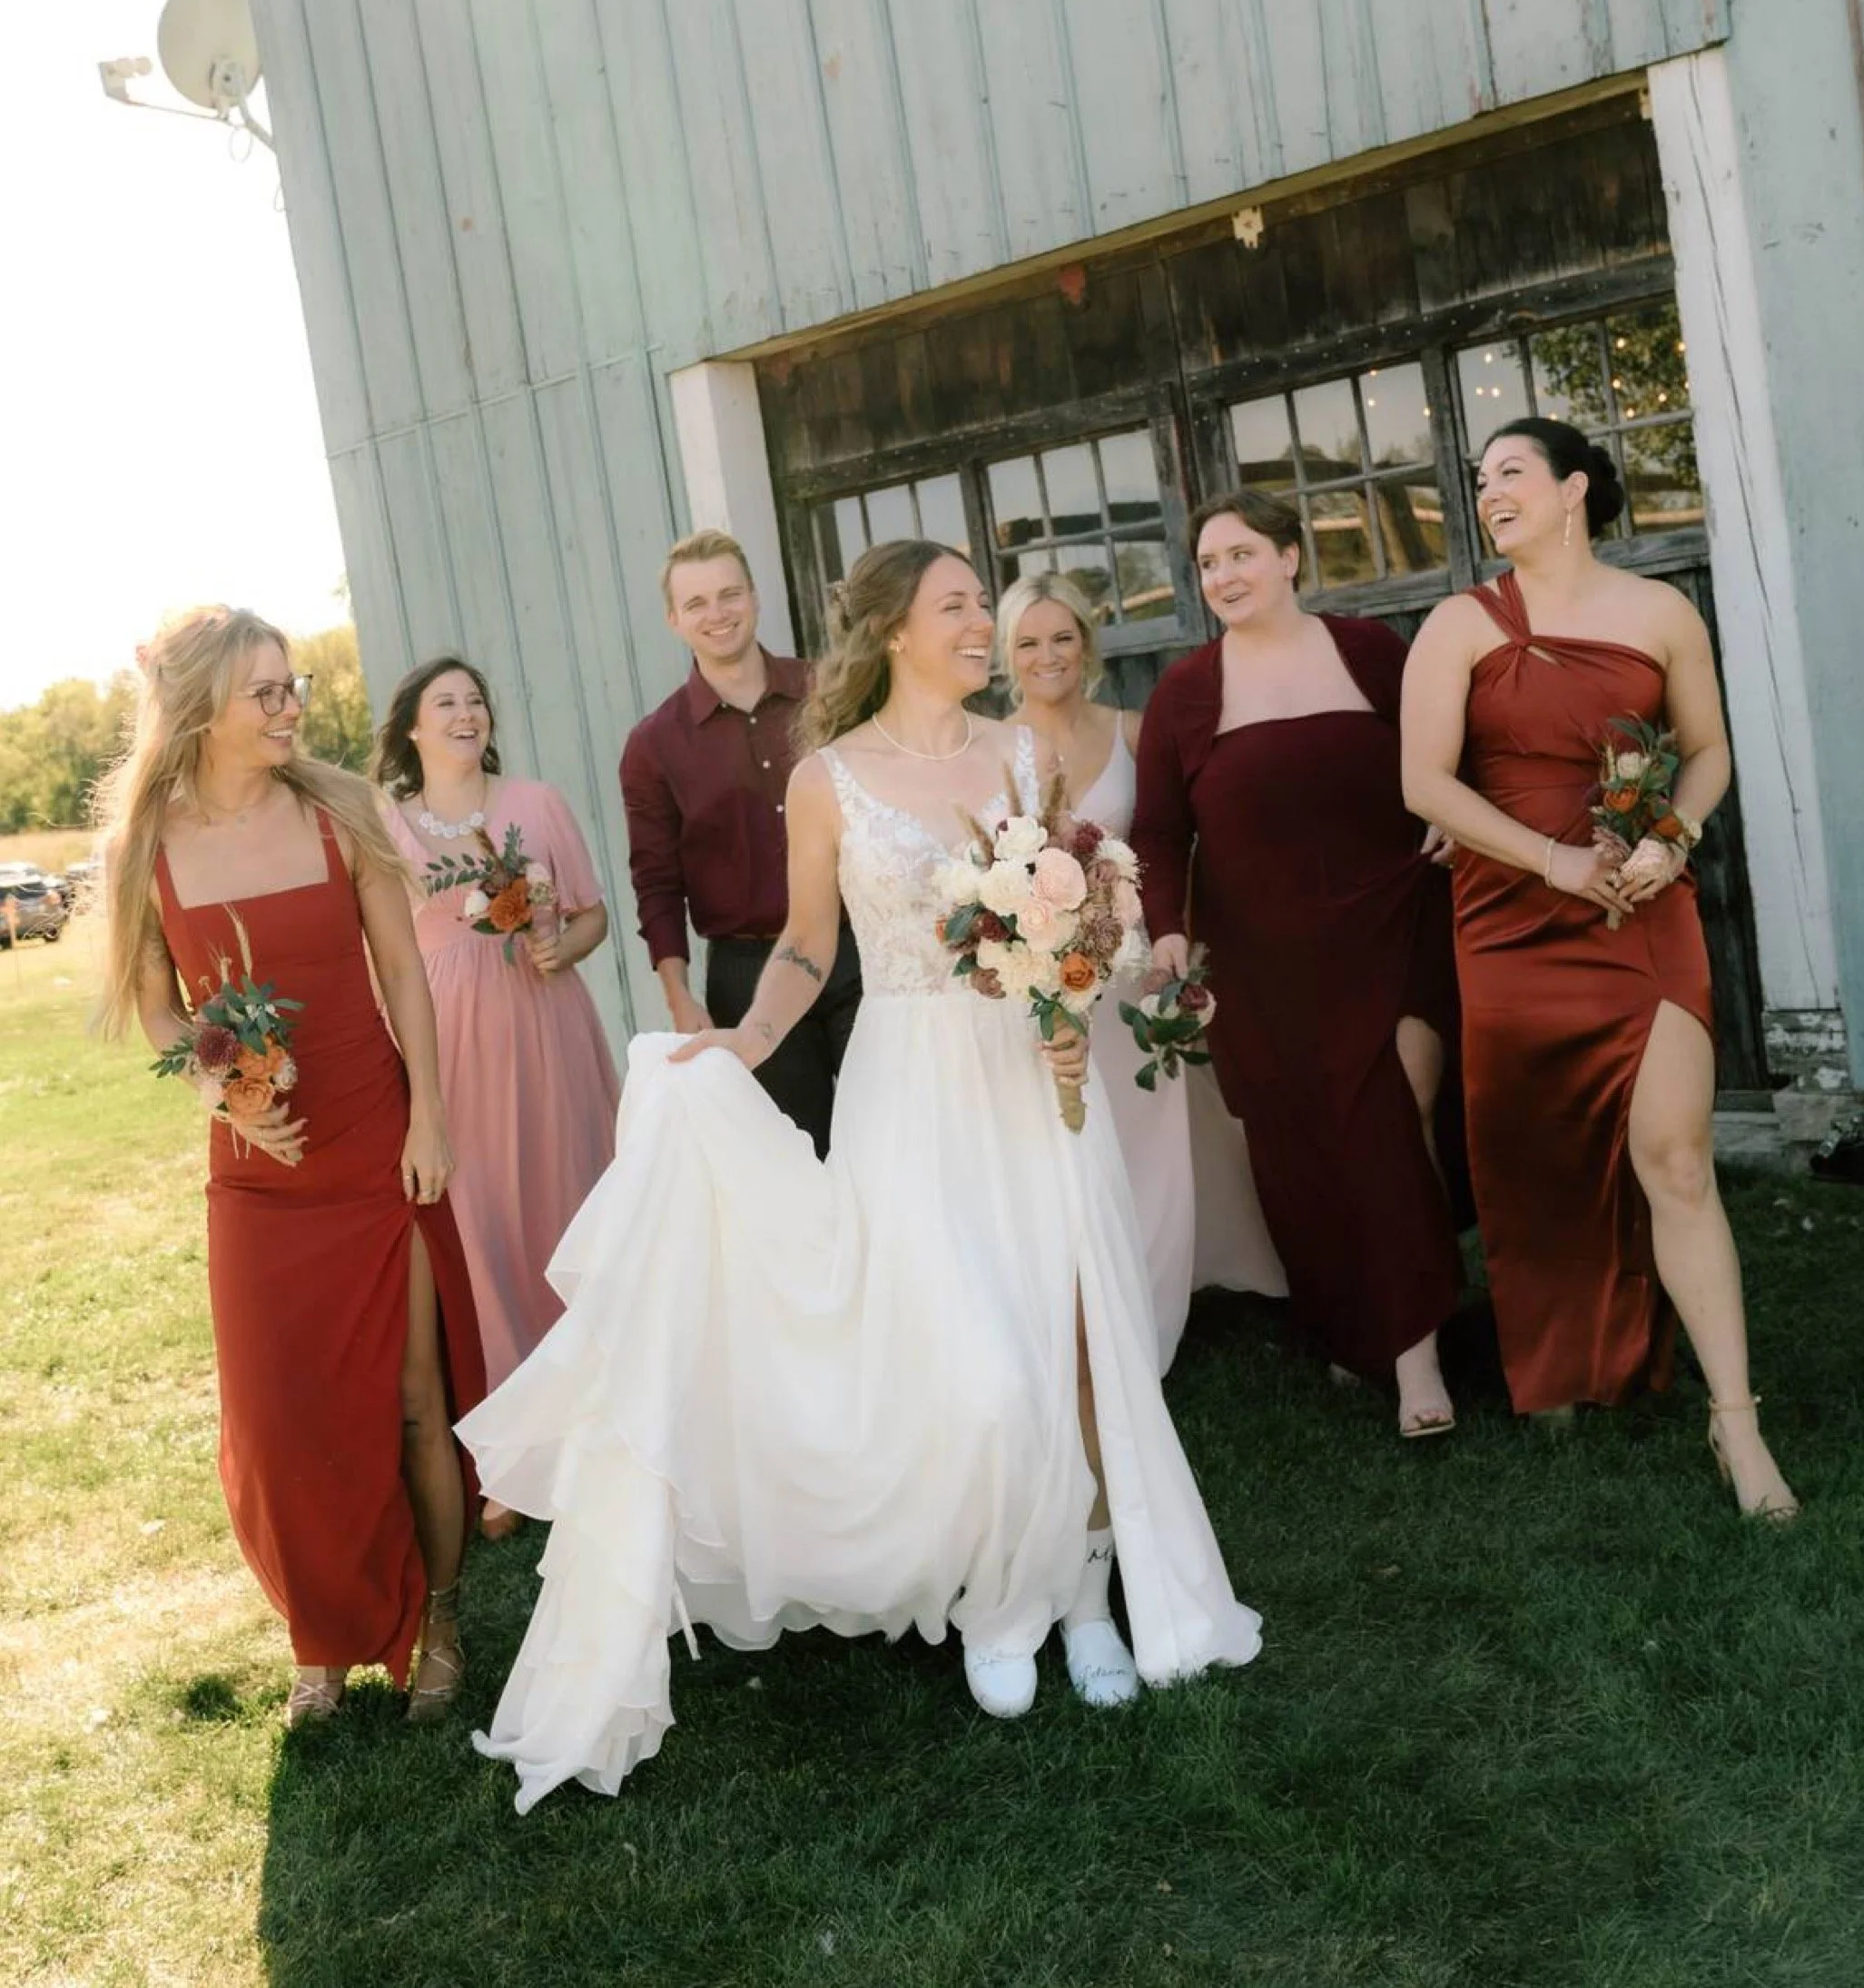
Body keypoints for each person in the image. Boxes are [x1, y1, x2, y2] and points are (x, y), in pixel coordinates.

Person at [459, 541, 1260, 1811]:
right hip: (908, 1089)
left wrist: (1071, 996)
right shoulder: (826, 781)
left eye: (980, 609)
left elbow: (1066, 915)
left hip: (1026, 1079)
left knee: (1079, 1337)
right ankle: (1004, 1599)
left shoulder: (1020, 755)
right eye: (957, 608)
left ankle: (1092, 1596)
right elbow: (804, 943)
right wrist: (745, 1043)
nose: (980, 627)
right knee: (976, 1356)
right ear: (894, 629)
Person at [95, 606, 486, 1726]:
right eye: (264, 692)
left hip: (376, 1138)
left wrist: (430, 1121)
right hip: (258, 1168)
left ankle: (441, 1620)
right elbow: (158, 1004)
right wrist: (221, 1094)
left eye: (291, 685)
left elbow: (406, 974)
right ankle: (321, 1639)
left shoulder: (339, 808)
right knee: (281, 1418)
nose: (291, 707)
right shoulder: (143, 845)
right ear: (199, 707)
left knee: (416, 1404)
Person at [1400, 420, 1798, 1518]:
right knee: (1534, 1160)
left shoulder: (1661, 613)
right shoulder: (1455, 625)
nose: (1489, 494)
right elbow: (1425, 786)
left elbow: (1707, 747)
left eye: (1511, 474)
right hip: (1513, 913)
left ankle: (1737, 1428)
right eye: (1480, 483)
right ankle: (1565, 1361)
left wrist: (1674, 836)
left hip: (1642, 909)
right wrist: (1553, 862)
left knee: (1674, 1159)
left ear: (1575, 488)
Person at [1131, 490, 1464, 1439]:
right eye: (1208, 564)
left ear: (1290, 559)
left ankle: (1417, 1354)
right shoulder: (1186, 694)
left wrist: (1450, 812)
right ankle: (1353, 1322)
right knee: (1298, 1148)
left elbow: (1445, 757)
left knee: (1399, 1111)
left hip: (1391, 922)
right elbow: (1159, 833)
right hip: (1261, 960)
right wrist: (1165, 929)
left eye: (1242, 554)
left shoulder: (1372, 654)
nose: (1225, 576)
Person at [999, 571, 1285, 1367]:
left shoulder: (1132, 729)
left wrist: (1179, 937)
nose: (1047, 655)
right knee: (1078, 1149)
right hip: (1052, 983)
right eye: (1028, 642)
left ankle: (1154, 1319)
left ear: (1086, 644)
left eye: (1062, 637)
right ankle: (1096, 1304)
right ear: (1006, 656)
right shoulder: (996, 749)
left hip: (1135, 971)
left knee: (1156, 1145)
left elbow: (1177, 837)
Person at [374, 657, 620, 1540]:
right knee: (483, 1238)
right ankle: (514, 1460)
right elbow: (385, 956)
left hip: (547, 1031)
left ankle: (602, 1428)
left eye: (477, 700)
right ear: (412, 727)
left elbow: (592, 912)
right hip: (451, 1053)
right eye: (446, 703)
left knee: (569, 1218)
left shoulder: (538, 803)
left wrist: (569, 946)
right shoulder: (387, 828)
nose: (466, 713)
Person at [620, 529, 860, 1152]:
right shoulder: (654, 745)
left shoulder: (829, 696)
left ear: (754, 597)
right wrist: (679, 996)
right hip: (747, 974)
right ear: (674, 620)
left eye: (729, 594)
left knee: (895, 1137)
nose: (717, 613)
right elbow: (656, 882)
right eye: (696, 603)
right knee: (800, 1155)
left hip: (859, 949)